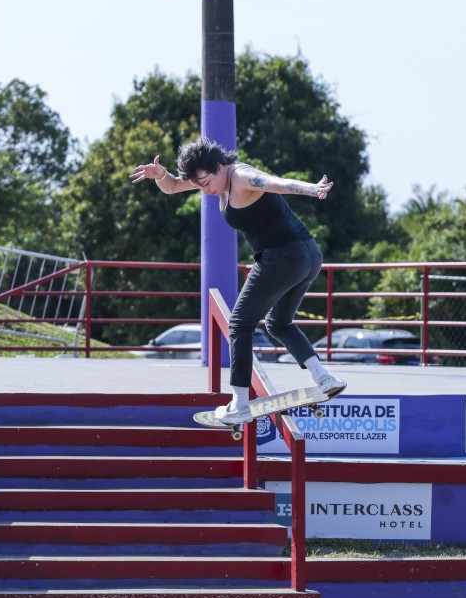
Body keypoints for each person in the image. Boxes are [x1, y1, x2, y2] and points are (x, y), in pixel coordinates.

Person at [130, 137, 347, 424]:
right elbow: (171, 187)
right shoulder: (210, 176)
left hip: (283, 257)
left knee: (239, 324)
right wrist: (161, 176)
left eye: (207, 182)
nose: (206, 190)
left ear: (220, 167)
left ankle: (240, 403)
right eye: (200, 184)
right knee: (278, 323)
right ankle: (324, 377)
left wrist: (312, 189)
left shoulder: (241, 176)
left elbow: (276, 183)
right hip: (307, 256)